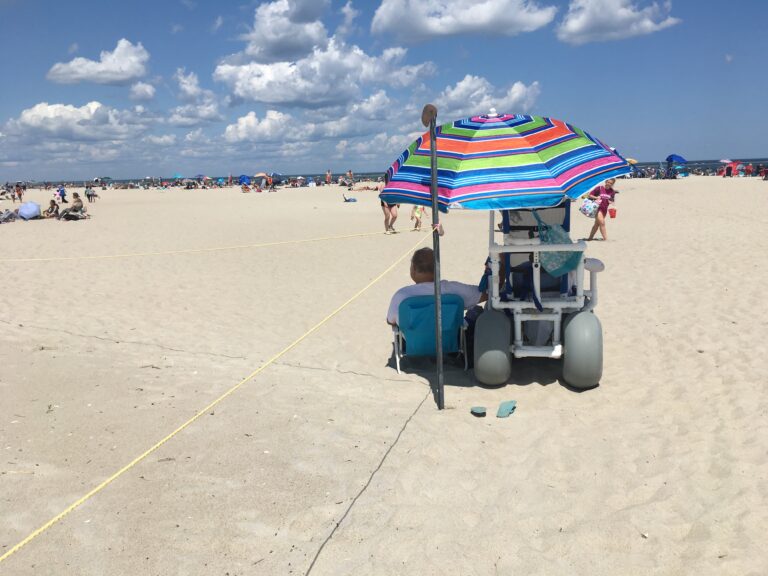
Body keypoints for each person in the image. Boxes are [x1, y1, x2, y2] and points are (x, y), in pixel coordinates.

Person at [387, 247, 484, 326]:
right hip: (450, 344)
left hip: (414, 347)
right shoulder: (452, 289)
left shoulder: (401, 295)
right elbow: (485, 294)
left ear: (413, 269)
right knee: (476, 311)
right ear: (437, 269)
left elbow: (391, 321)